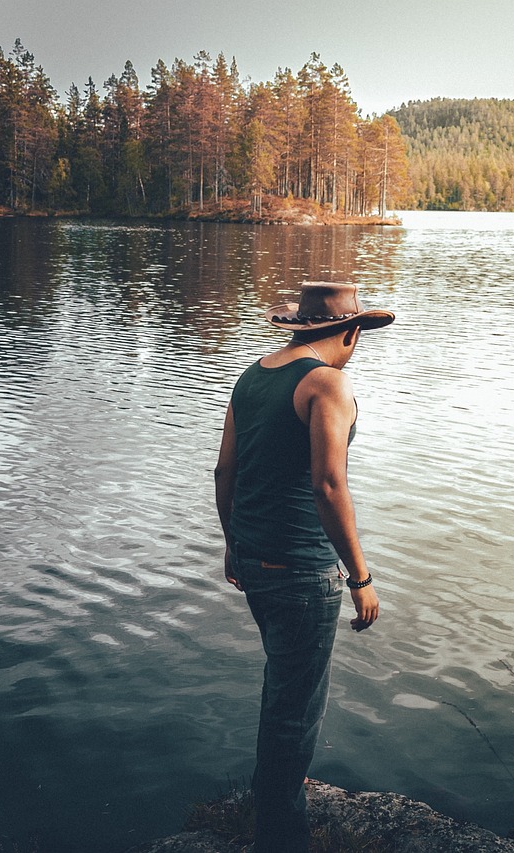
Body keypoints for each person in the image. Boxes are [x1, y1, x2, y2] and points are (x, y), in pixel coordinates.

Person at [214, 281, 394, 852]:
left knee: (282, 693)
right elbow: (328, 483)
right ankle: (280, 840)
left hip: (252, 559)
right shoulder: (329, 384)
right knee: (294, 715)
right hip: (300, 572)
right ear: (349, 331)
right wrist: (361, 578)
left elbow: (225, 472)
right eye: (357, 333)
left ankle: (268, 821)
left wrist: (232, 543)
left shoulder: (254, 374)